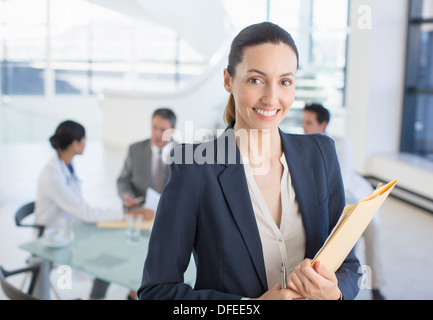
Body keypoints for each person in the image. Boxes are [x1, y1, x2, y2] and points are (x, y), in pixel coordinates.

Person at [137, 22, 360, 300]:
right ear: (228, 80)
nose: (271, 98)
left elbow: (348, 263)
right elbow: (157, 291)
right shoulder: (194, 167)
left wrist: (335, 293)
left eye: (285, 81)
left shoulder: (320, 154)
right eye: (256, 79)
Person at [34, 120, 143, 300]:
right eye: (84, 139)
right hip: (53, 239)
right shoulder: (52, 174)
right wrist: (125, 215)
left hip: (71, 228)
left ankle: (130, 293)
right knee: (108, 256)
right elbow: (84, 212)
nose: (86, 142)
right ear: (75, 144)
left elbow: (80, 208)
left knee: (115, 248)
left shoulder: (66, 164)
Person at [302, 102, 386, 300]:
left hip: (356, 199)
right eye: (303, 121)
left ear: (322, 125)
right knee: (345, 249)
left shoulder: (340, 143)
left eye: (308, 122)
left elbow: (343, 179)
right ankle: (340, 289)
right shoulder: (302, 146)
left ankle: (376, 288)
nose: (303, 126)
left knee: (373, 233)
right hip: (329, 204)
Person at [117, 108, 177, 211]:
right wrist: (127, 196)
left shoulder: (185, 154)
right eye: (154, 128)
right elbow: (123, 180)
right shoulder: (135, 150)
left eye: (163, 130)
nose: (157, 134)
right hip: (141, 211)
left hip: (172, 212)